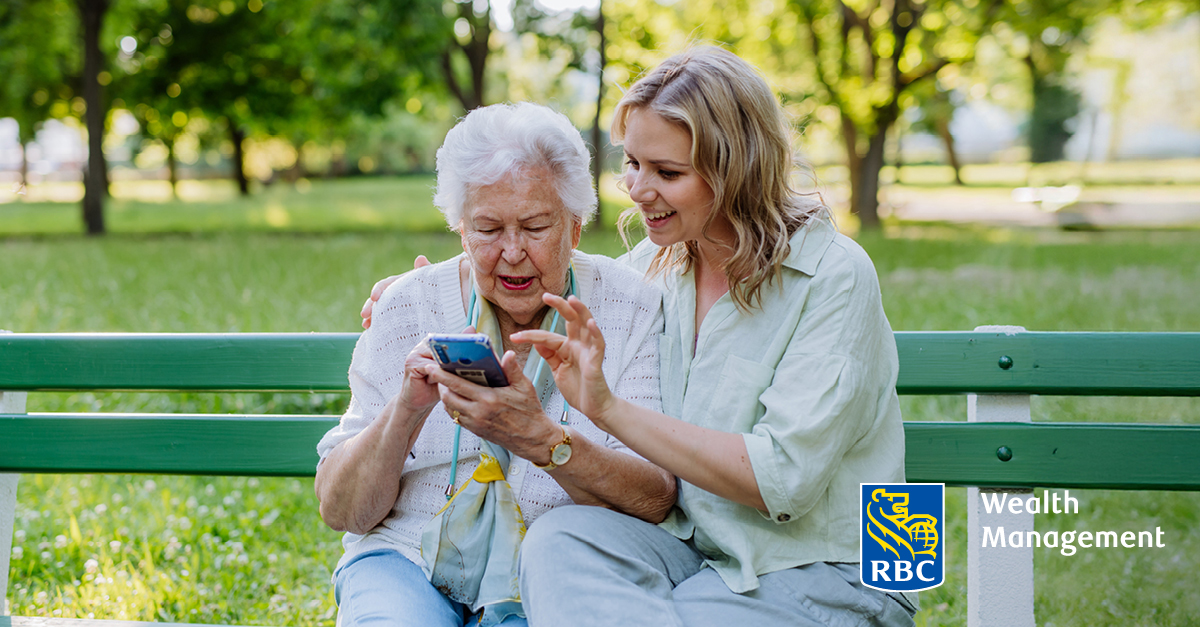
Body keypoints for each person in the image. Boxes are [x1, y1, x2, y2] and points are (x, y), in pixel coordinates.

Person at [364, 48, 913, 627]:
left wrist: (607, 409)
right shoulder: (661, 262)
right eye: (632, 163)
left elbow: (782, 480)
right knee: (557, 539)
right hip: (698, 560)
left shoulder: (833, 273)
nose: (637, 189)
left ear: (738, 170)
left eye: (667, 173)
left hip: (832, 568)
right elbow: (554, 265)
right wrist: (420, 288)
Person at [315, 102, 674, 627]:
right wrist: (406, 411)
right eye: (487, 228)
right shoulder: (407, 304)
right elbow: (341, 512)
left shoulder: (630, 308)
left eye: (534, 226)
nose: (510, 252)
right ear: (460, 229)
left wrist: (543, 441)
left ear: (575, 228)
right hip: (405, 555)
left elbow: (654, 498)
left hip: (554, 564)